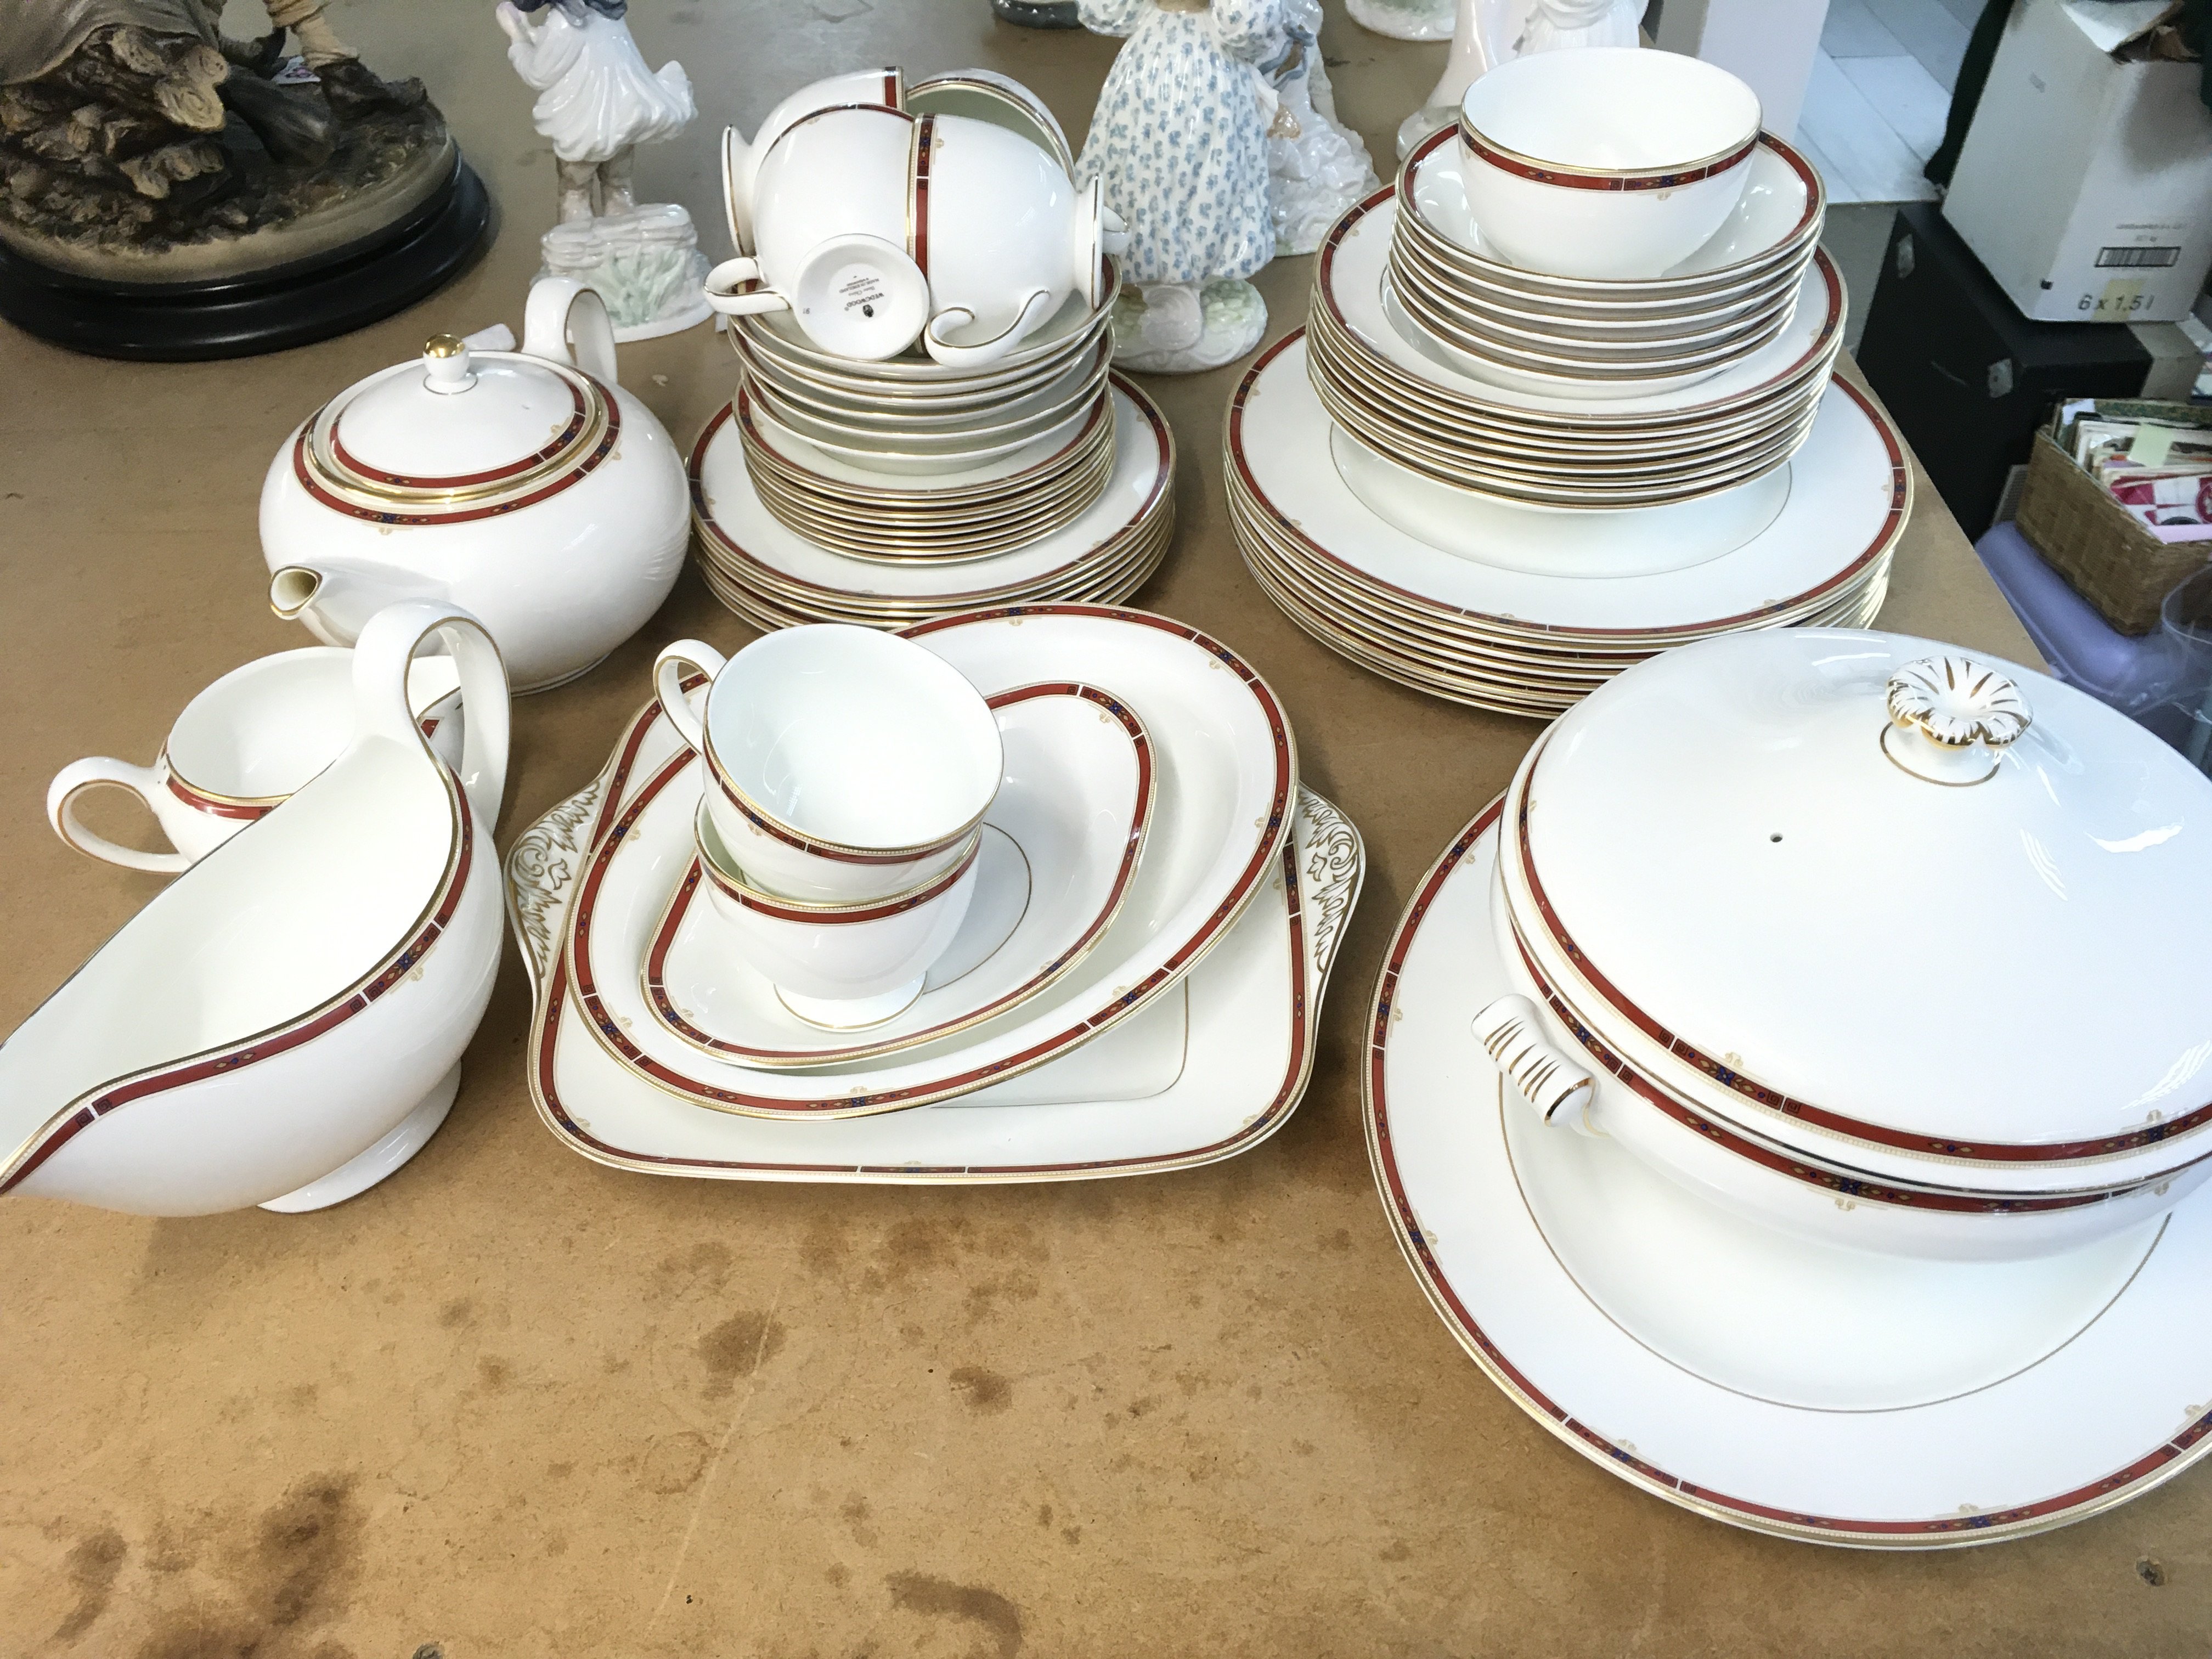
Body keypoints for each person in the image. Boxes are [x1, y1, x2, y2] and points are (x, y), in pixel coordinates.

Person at [1076, 0, 1288, 373]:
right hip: (1180, 63)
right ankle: (1158, 276)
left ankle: (1174, 276)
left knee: (1186, 169)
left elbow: (1246, 25)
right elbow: (1249, 24)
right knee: (1168, 167)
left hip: (1180, 60)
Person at [497, 0, 694, 223]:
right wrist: (532, 32)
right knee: (619, 187)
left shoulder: (563, 23)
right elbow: (569, 48)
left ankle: (579, 245)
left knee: (575, 193)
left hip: (584, 132)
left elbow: (538, 73)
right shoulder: (609, 13)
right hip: (625, 121)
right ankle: (623, 236)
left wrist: (517, 38)